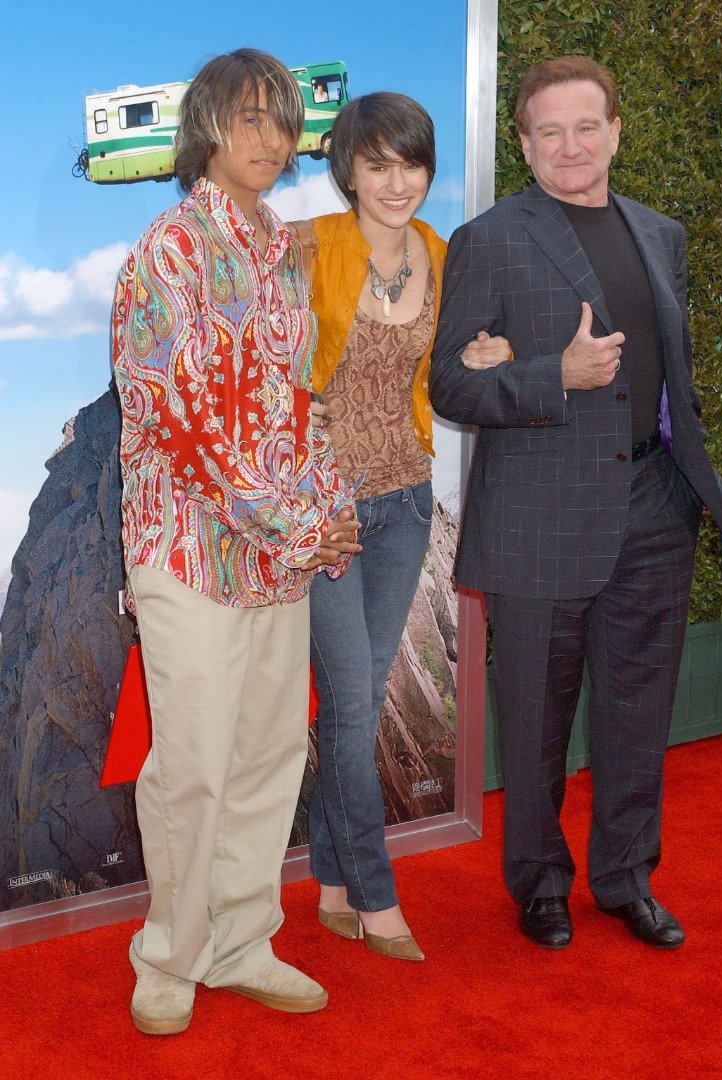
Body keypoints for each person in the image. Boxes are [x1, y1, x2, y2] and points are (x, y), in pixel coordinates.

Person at [430, 55, 722, 951]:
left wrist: (688, 484)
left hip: (654, 507)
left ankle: (627, 879)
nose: (571, 145)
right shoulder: (490, 239)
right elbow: (452, 384)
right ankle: (539, 886)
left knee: (638, 714)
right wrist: (548, 377)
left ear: (615, 132)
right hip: (538, 518)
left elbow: (671, 374)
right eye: (550, 131)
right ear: (524, 145)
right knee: (532, 722)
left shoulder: (660, 234)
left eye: (587, 126)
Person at [111, 48, 360, 1035]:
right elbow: (189, 424)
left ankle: (242, 942)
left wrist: (328, 503)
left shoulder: (285, 251)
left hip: (278, 552)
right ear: (206, 130)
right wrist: (304, 520)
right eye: (248, 119)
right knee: (196, 764)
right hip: (186, 549)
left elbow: (299, 404)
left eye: (282, 121)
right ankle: (168, 955)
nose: (269, 139)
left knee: (265, 754)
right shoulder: (168, 250)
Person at [289, 93, 508, 961]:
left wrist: (486, 359)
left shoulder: (443, 255)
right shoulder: (306, 247)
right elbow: (270, 374)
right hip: (324, 512)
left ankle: (334, 883)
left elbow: (451, 368)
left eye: (411, 164)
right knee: (348, 704)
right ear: (347, 169)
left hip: (407, 500)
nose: (396, 182)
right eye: (376, 164)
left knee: (362, 701)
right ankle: (378, 897)